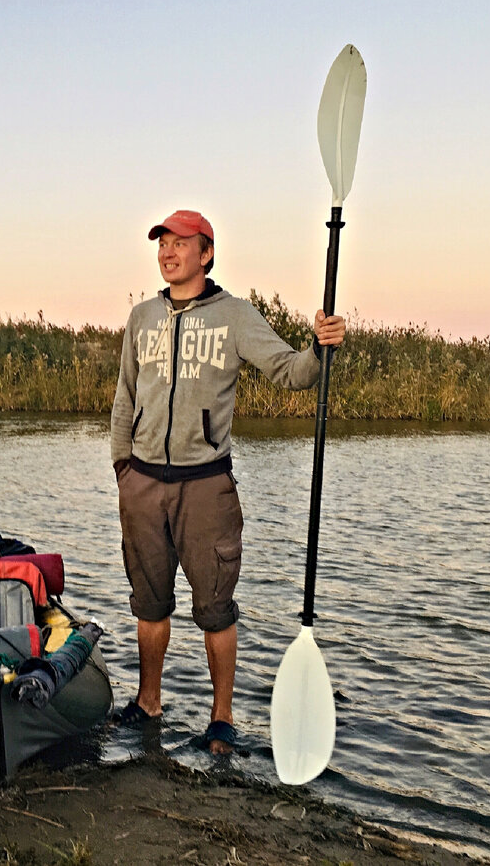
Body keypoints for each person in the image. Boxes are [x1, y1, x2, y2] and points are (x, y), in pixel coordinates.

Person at [110, 209, 346, 754]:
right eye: (162, 243)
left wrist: (319, 347)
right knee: (149, 603)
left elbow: (291, 373)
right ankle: (148, 702)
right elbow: (125, 395)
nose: (168, 252)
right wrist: (123, 468)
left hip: (206, 487)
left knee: (215, 609)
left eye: (180, 243)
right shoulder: (141, 317)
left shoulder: (235, 315)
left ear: (206, 253)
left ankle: (221, 718)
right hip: (142, 484)